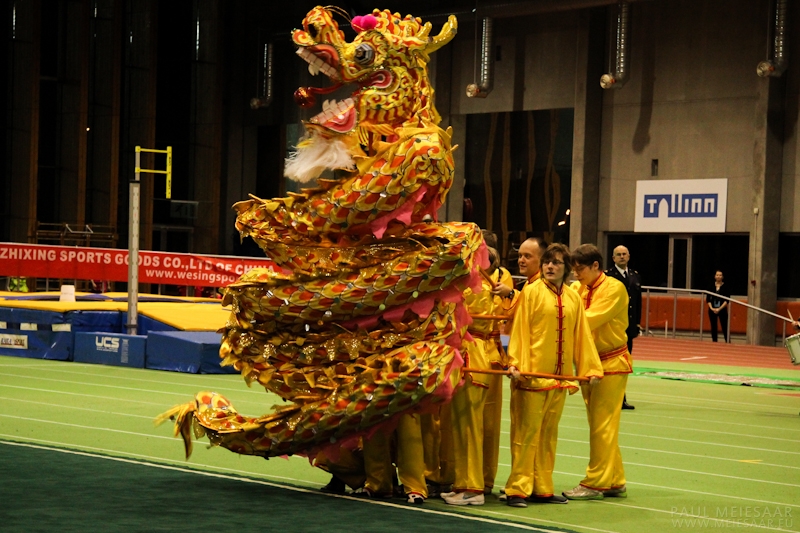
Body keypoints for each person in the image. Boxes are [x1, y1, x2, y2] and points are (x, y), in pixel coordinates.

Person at [503, 243, 603, 508]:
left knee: (548, 435)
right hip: (531, 377)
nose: (550, 266)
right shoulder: (531, 292)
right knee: (526, 435)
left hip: (559, 380)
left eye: (557, 262)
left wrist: (590, 368)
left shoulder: (573, 297)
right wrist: (515, 363)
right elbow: (520, 330)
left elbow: (581, 335)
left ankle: (542, 487)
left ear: (566, 268)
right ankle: (517, 488)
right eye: (547, 261)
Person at [564, 244, 631, 501]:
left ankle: (595, 482)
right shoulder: (576, 288)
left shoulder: (614, 288)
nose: (576, 274)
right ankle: (614, 479)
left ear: (595, 266)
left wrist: (555, 319)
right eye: (573, 270)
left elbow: (587, 319)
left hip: (611, 363)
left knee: (602, 424)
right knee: (600, 425)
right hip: (587, 364)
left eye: (580, 269)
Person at [442, 247, 507, 506]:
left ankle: (473, 487)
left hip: (475, 355)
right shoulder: (472, 286)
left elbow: (471, 322)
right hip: (465, 354)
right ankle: (463, 483)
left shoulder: (480, 289)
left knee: (470, 425)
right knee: (461, 424)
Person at [605, 245, 640, 410]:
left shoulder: (634, 276)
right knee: (614, 363)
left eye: (624, 254)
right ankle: (612, 397)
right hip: (614, 328)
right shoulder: (607, 277)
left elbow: (637, 303)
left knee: (626, 364)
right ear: (613, 258)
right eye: (618, 255)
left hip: (629, 327)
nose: (621, 257)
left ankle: (622, 398)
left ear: (629, 256)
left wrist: (637, 323)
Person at [706, 270, 730, 343]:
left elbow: (727, 300)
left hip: (722, 309)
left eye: (720, 275)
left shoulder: (725, 287)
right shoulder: (711, 286)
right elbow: (708, 299)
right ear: (715, 276)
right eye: (717, 275)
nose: (718, 276)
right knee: (713, 326)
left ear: (722, 277)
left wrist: (719, 309)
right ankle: (714, 341)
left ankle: (728, 341)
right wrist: (712, 308)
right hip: (712, 309)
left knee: (724, 326)